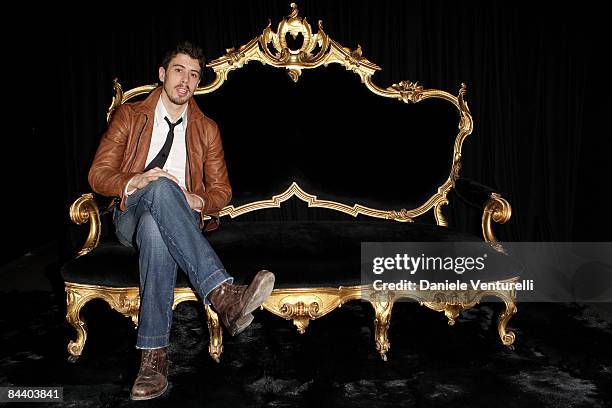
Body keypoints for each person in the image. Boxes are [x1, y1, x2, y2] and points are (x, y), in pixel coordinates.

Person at [88, 41, 275, 400]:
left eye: (193, 75)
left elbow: (222, 191)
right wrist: (135, 180)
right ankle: (222, 294)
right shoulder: (130, 116)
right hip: (132, 211)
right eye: (178, 71)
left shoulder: (207, 128)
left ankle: (153, 358)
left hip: (181, 216)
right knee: (158, 187)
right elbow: (98, 174)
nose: (185, 81)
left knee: (158, 229)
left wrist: (200, 199)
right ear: (162, 74)